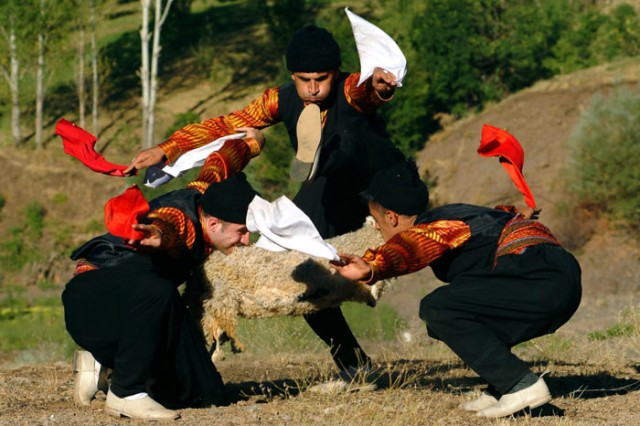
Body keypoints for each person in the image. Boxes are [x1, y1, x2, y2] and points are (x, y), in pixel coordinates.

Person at [124, 24, 406, 378]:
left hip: (375, 189)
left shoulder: (350, 90)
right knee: (303, 276)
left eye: (322, 78)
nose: (314, 88)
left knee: (351, 150)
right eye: (305, 80)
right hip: (321, 191)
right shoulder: (279, 98)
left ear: (336, 74)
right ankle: (354, 365)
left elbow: (364, 93)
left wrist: (379, 89)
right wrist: (166, 148)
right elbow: (227, 124)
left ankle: (324, 156)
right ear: (293, 76)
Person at [331, 160, 582, 418]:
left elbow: (413, 246)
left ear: (392, 217)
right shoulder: (455, 213)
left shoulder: (435, 228)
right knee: (463, 304)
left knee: (438, 308)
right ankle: (500, 386)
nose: (375, 227)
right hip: (560, 279)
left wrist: (372, 267)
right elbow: (495, 222)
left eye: (375, 220)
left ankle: (520, 385)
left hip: (539, 279)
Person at [62, 132, 263, 420]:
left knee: (205, 393)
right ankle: (126, 391)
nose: (246, 241)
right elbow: (167, 224)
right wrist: (158, 235)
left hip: (134, 306)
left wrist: (252, 143)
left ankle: (106, 360)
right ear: (215, 224)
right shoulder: (183, 221)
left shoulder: (205, 194)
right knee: (158, 288)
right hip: (93, 302)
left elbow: (219, 163)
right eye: (241, 233)